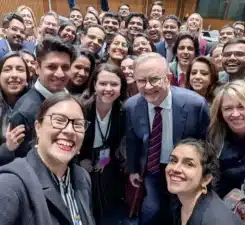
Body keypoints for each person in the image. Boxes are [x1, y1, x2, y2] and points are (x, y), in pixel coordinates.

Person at [125, 53, 210, 225]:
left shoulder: (196, 104)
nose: (148, 87)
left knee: (181, 211)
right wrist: (133, 168)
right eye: (141, 81)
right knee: (152, 210)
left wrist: (204, 176)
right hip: (152, 168)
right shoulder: (131, 106)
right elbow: (132, 139)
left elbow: (206, 143)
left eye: (154, 79)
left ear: (169, 78)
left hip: (184, 169)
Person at [0, 92, 94, 225]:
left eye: (78, 124)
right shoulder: (12, 185)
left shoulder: (82, 177)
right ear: (38, 127)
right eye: (59, 121)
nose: (69, 130)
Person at [5, 37, 75, 165]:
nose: (60, 74)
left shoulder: (71, 100)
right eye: (52, 67)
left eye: (65, 67)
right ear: (37, 67)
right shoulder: (24, 113)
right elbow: (24, 165)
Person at [79, 64, 127, 225]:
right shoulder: (82, 108)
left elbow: (116, 143)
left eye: (114, 84)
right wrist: (79, 161)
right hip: (81, 158)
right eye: (103, 84)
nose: (108, 89)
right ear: (94, 85)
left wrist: (105, 161)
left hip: (105, 160)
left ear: (121, 87)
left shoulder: (122, 111)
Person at [207, 80, 245, 198]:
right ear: (220, 113)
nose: (235, 114)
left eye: (241, 107)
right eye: (228, 108)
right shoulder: (214, 136)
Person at [166, 139, 244, 225]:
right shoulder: (179, 201)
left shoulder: (214, 220)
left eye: (189, 164)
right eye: (173, 160)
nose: (175, 169)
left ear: (206, 179)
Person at [0, 52, 29, 166]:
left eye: (20, 69)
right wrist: (7, 148)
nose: (14, 75)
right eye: (7, 69)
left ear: (27, 78)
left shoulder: (37, 105)